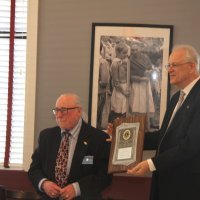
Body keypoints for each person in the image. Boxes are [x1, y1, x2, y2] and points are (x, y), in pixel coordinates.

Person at [127, 44, 200, 200]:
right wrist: (128, 138)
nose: (169, 69)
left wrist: (152, 164)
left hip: (187, 186)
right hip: (165, 182)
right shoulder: (176, 98)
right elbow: (163, 136)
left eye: (175, 65)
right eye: (168, 65)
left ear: (192, 67)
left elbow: (191, 145)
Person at [28, 93, 111, 200]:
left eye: (63, 110)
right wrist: (44, 184)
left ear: (79, 111)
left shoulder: (98, 139)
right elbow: (34, 169)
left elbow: (104, 176)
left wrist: (77, 188)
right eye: (56, 110)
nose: (58, 115)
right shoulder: (46, 137)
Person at [108, 41, 129, 123]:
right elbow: (116, 82)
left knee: (124, 112)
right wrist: (124, 92)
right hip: (119, 91)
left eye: (126, 53)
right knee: (117, 112)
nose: (125, 55)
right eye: (124, 53)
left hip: (125, 89)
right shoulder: (115, 64)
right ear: (118, 52)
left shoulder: (123, 62)